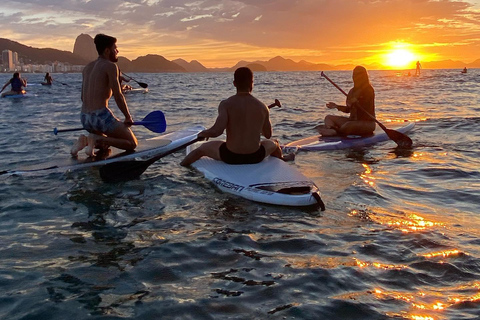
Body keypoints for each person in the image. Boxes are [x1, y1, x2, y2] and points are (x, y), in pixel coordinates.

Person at [180, 67, 294, 166]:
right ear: (252, 83)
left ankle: (182, 165)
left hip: (230, 156)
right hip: (255, 156)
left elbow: (217, 131)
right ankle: (282, 158)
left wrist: (204, 133)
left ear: (234, 83)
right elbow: (268, 135)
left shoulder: (226, 104)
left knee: (201, 149)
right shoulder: (262, 107)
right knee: (274, 143)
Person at [70, 33, 137, 157]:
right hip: (100, 117)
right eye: (114, 48)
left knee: (106, 143)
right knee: (132, 143)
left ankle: (85, 141)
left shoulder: (87, 68)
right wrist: (128, 117)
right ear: (107, 50)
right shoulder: (111, 66)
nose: (117, 51)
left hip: (84, 117)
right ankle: (95, 139)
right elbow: (118, 95)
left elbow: (82, 97)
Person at [316, 66, 376, 137]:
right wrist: (337, 106)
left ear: (364, 76)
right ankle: (332, 129)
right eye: (354, 74)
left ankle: (334, 131)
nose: (355, 76)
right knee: (328, 118)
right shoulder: (352, 91)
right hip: (352, 121)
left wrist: (357, 102)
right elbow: (348, 110)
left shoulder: (369, 90)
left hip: (367, 123)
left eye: (358, 74)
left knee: (348, 125)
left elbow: (366, 107)